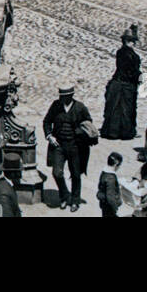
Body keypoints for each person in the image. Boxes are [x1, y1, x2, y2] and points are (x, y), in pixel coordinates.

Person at [41, 83, 95, 212]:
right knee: (57, 173)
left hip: (75, 146)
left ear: (71, 95)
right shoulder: (56, 106)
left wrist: (83, 133)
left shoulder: (80, 108)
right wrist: (49, 136)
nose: (63, 99)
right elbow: (47, 121)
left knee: (76, 174)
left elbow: (88, 123)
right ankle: (65, 196)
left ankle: (75, 200)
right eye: (62, 96)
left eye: (66, 96)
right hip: (58, 145)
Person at [100, 27, 141, 140]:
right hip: (128, 85)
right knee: (128, 109)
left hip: (117, 82)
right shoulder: (135, 57)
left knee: (114, 109)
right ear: (131, 41)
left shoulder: (119, 52)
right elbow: (133, 72)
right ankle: (126, 132)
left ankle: (112, 132)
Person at [0, 153, 23, 217]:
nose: (21, 176)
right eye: (19, 172)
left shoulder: (2, 184)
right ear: (13, 174)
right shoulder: (3, 196)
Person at [97, 151, 124, 218]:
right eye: (119, 165)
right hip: (109, 207)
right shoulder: (111, 178)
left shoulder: (104, 172)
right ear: (116, 164)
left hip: (104, 204)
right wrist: (114, 207)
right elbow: (110, 197)